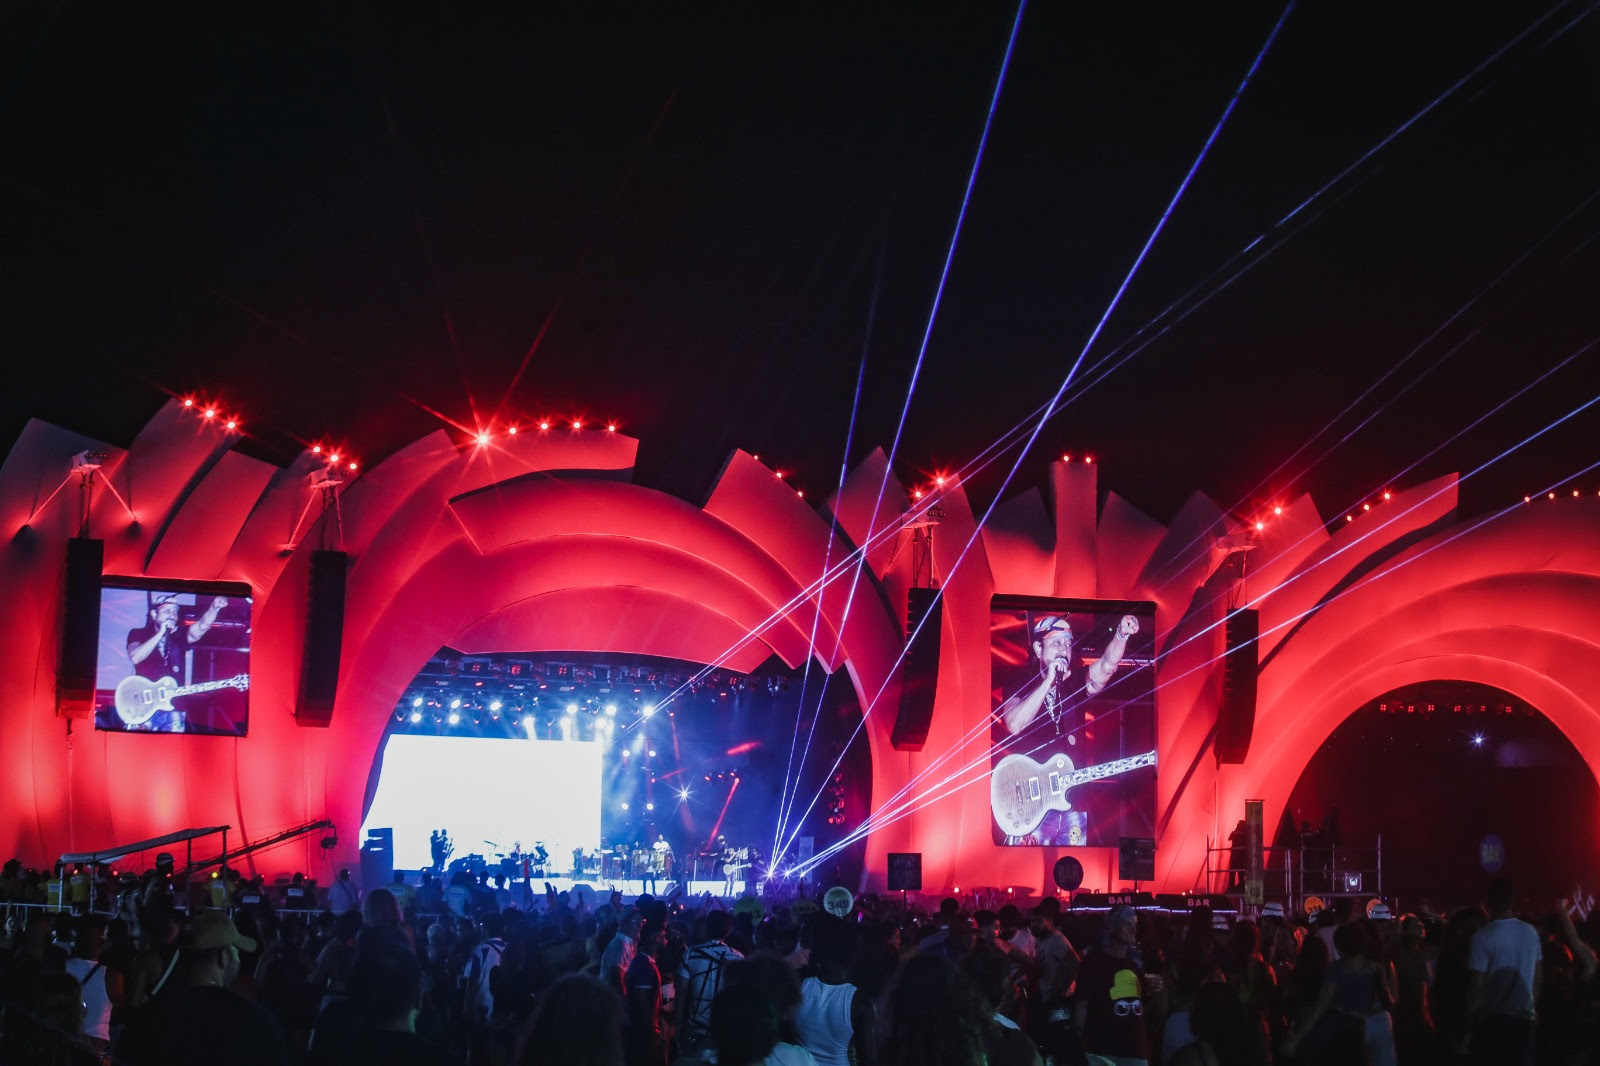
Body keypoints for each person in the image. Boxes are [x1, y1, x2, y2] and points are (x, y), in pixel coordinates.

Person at [993, 613, 1140, 844]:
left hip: (1071, 803)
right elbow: (1013, 724)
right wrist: (1048, 683)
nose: (1064, 649)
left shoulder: (1074, 683)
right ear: (1038, 648)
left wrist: (1121, 635)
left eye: (1068, 643)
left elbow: (1106, 666)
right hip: (1030, 806)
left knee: (1069, 861)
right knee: (1029, 862)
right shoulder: (1019, 682)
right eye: (1056, 642)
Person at [118, 908, 290, 1065]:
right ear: (223, 956)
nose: (238, 959)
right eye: (236, 952)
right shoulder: (254, 1021)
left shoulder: (150, 1019)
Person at [122, 593, 230, 730]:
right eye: (166, 611)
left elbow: (202, 626)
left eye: (175, 611)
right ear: (154, 614)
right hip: (143, 708)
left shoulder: (180, 635)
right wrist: (161, 633)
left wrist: (214, 608)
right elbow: (135, 657)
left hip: (174, 708)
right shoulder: (138, 633)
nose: (172, 615)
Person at [1072, 905, 1162, 1066]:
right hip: (1104, 1049)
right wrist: (1077, 1043)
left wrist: (1153, 989)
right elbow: (1081, 1005)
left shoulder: (1136, 961)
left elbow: (1141, 1003)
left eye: (1134, 924)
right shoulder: (1093, 963)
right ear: (1112, 927)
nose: (1133, 929)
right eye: (1127, 924)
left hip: (1136, 1049)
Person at [1465, 876, 1541, 1065]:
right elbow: (1537, 978)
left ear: (1487, 902)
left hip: (1494, 1020)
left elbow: (1476, 986)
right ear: (1512, 900)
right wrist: (1533, 1009)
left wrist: (1470, 1021)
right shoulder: (1530, 932)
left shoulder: (1482, 936)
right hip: (1524, 1018)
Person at [678, 909, 745, 1055]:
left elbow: (680, 994)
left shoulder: (690, 953)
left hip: (694, 1029)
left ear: (707, 928)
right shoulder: (738, 958)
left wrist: (677, 1027)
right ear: (728, 931)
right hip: (724, 1030)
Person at [623, 917, 669, 1066]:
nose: (666, 941)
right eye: (664, 937)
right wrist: (652, 1035)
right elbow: (641, 1004)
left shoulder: (645, 963)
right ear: (656, 939)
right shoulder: (644, 966)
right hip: (643, 1036)